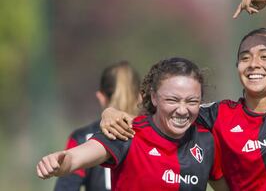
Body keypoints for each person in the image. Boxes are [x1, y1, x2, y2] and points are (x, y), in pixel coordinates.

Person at [99, 0, 266, 191]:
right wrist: (110, 112)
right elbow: (161, 119)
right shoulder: (218, 115)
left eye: (265, 57)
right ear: (237, 67)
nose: (254, 64)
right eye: (245, 58)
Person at [36, 57, 229, 191]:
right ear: (153, 97)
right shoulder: (126, 132)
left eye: (192, 101)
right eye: (172, 100)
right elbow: (76, 158)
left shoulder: (206, 141)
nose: (182, 110)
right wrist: (60, 162)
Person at [54, 61, 141, 191]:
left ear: (101, 97)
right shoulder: (155, 134)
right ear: (140, 97)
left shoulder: (82, 138)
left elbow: (66, 187)